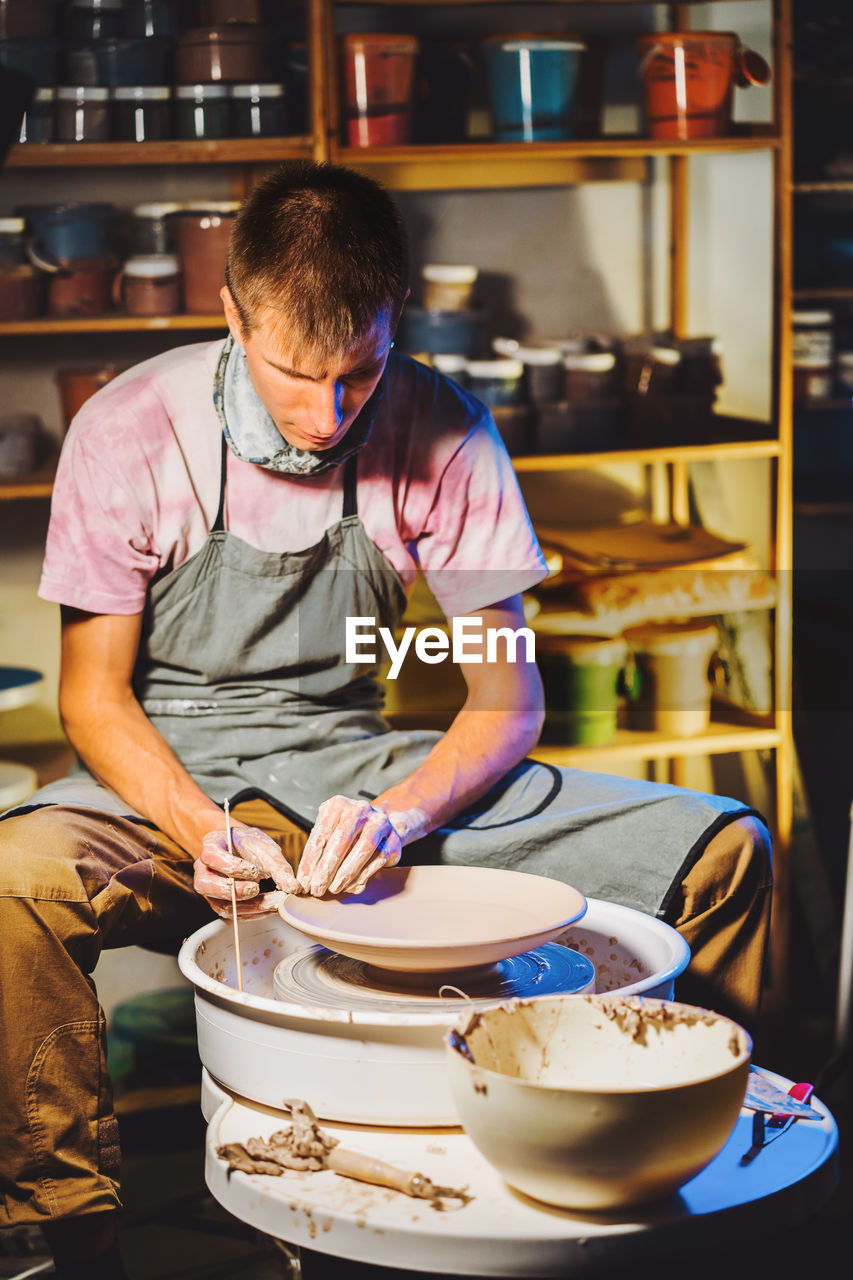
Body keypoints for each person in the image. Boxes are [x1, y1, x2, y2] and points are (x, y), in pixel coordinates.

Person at [0, 161, 772, 1279]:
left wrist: (399, 815)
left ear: (394, 317)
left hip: (360, 765)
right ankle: (63, 1230)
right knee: (15, 872)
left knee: (722, 848)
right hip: (170, 767)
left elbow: (506, 696)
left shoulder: (448, 428)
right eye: (290, 374)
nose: (323, 416)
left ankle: (684, 1178)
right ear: (232, 311)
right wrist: (190, 816)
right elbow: (93, 695)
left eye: (356, 375)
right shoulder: (128, 428)